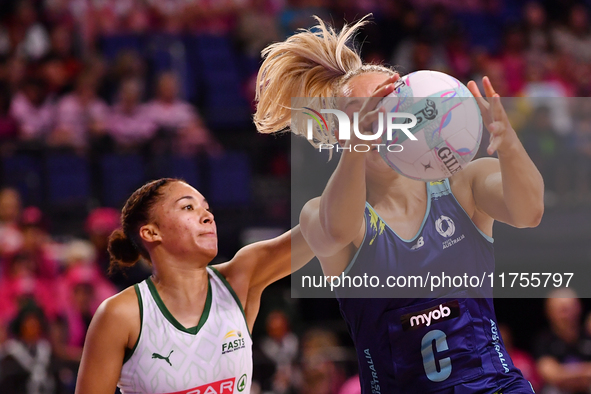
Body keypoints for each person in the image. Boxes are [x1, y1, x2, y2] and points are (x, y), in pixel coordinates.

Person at [254, 17, 544, 393]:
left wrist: (509, 146)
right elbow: (337, 231)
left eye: (391, 104)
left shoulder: (463, 182)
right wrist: (358, 145)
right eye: (365, 111)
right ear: (340, 129)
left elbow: (529, 212)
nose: (382, 117)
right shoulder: (321, 212)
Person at [75, 178, 314, 394]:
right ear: (151, 232)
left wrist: (351, 149)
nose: (208, 216)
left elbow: (327, 228)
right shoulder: (121, 314)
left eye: (206, 208)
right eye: (188, 207)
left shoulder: (239, 279)